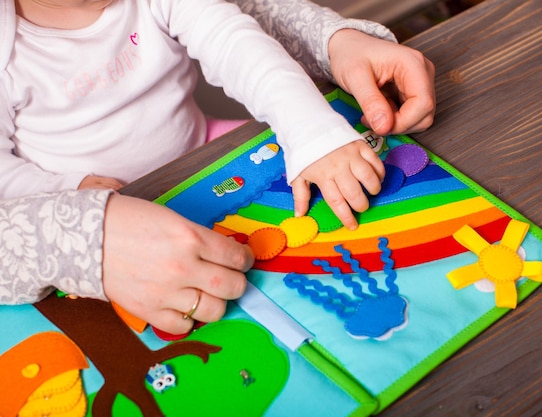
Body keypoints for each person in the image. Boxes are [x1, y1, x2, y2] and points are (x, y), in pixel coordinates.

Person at [0, 0, 436, 335]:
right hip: (94, 214)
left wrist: (310, 130)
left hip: (204, 151)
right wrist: (71, 187)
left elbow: (235, 42)